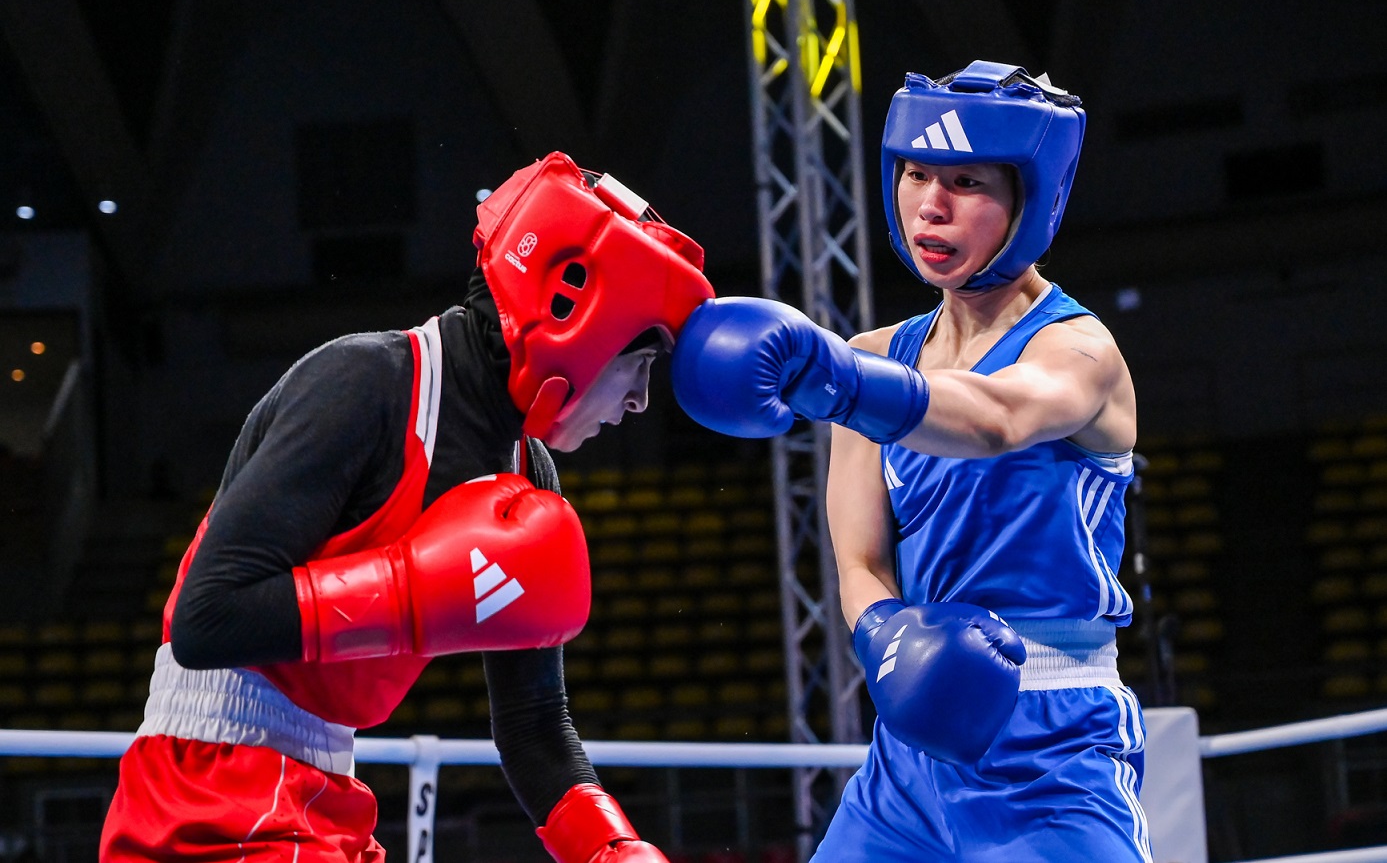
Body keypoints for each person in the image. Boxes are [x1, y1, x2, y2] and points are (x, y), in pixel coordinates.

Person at [100, 151, 716, 862]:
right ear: (579, 313)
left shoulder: (528, 476)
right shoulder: (367, 385)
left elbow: (534, 724)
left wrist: (613, 849)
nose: (640, 399)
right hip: (202, 782)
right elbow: (205, 622)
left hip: (322, 789)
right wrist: (409, 587)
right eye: (638, 362)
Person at [670, 61, 1151, 861]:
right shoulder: (870, 357)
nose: (930, 204)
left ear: (1029, 200)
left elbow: (996, 418)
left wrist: (832, 380)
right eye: (916, 173)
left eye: (964, 180)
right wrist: (887, 634)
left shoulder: (1079, 351)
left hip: (1050, 746)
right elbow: (857, 558)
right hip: (905, 762)